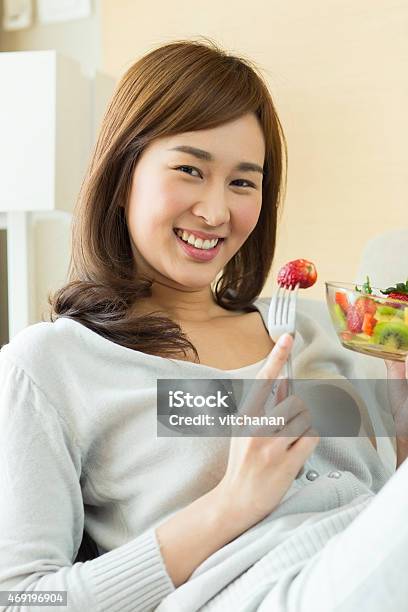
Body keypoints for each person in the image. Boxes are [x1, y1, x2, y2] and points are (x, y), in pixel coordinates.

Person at [0, 37, 407, 612]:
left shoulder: (316, 326)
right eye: (190, 170)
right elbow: (21, 599)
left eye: (243, 182)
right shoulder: (52, 364)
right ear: (123, 178)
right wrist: (231, 503)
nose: (216, 213)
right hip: (258, 591)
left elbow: (378, 513)